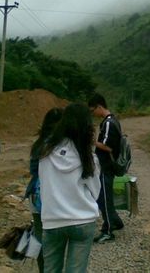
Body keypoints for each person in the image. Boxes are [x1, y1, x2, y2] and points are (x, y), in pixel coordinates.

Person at [38, 103, 101, 273]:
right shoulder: (88, 157)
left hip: (52, 220)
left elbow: (43, 185)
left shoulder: (45, 153)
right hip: (82, 221)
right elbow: (95, 192)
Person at [24, 107, 63, 272]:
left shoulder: (38, 145)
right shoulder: (64, 146)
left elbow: (33, 171)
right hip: (55, 199)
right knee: (57, 240)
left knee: (40, 236)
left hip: (36, 196)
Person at [88, 93, 124, 243]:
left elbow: (109, 147)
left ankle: (108, 230)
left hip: (106, 166)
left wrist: (92, 142)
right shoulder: (112, 120)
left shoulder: (108, 123)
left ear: (99, 107)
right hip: (107, 165)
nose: (93, 114)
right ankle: (115, 221)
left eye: (93, 110)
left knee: (104, 198)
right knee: (104, 197)